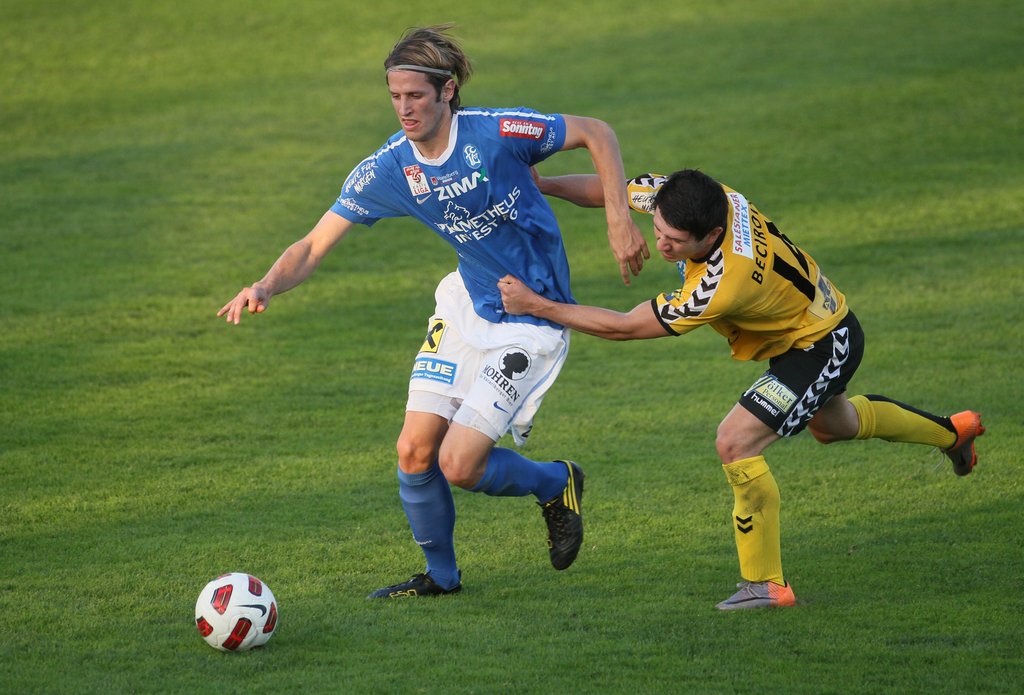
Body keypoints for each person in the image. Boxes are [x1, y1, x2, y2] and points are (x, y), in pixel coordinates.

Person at [217, 25, 649, 598]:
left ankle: (554, 482)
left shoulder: (496, 132)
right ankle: (441, 578)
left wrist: (619, 217)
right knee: (414, 450)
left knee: (460, 465)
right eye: (395, 96)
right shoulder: (391, 167)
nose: (404, 109)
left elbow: (596, 131)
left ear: (447, 91)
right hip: (466, 305)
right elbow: (314, 244)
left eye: (416, 95)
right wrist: (267, 285)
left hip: (532, 318)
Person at [498, 168, 985, 610]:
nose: (662, 244)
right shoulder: (703, 197)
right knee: (835, 426)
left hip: (821, 343)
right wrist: (546, 185)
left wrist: (538, 306)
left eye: (675, 241)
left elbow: (626, 327)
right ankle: (953, 432)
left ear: (711, 236)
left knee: (735, 441)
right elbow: (614, 192)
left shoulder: (723, 282)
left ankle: (766, 584)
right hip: (802, 330)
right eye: (658, 230)